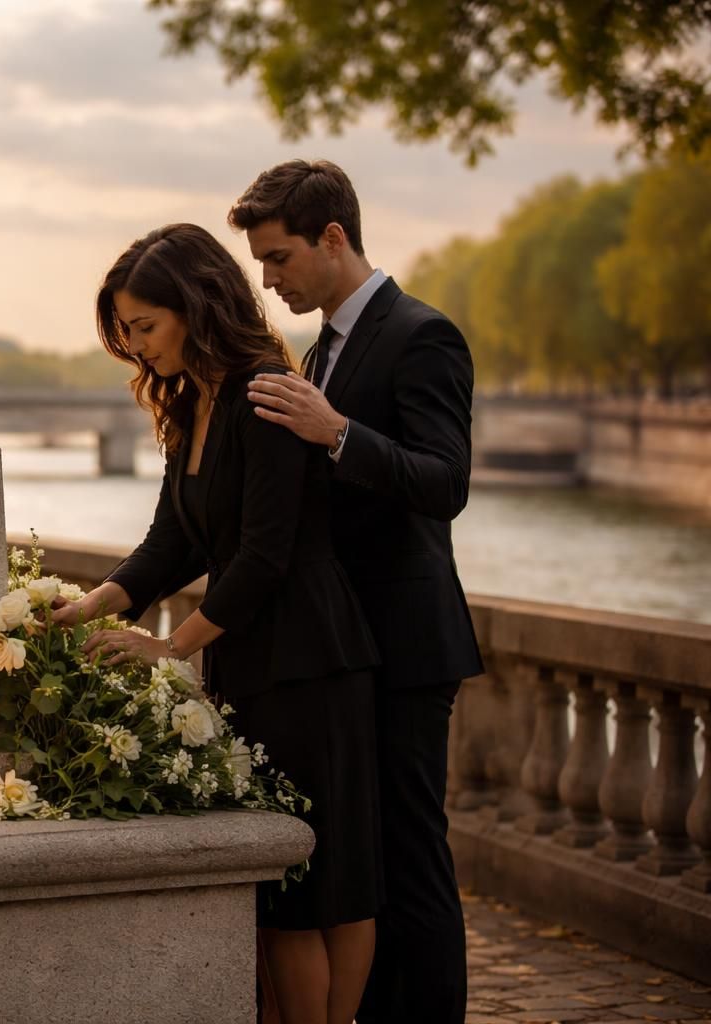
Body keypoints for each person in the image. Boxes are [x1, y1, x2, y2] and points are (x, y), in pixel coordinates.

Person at [52, 224, 381, 1024]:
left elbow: (265, 556)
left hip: (309, 662)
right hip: (249, 661)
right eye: (126, 332)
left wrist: (170, 647)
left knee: (317, 886)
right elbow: (171, 542)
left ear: (195, 306)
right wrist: (91, 605)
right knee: (274, 885)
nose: (137, 347)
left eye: (145, 327)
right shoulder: (189, 403)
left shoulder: (264, 392)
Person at [232, 159, 483, 1024]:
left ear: (333, 238)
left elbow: (445, 482)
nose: (270, 280)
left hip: (407, 644)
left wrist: (337, 433)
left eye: (279, 258)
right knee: (365, 868)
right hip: (348, 648)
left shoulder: (423, 334)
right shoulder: (320, 350)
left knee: (412, 860)